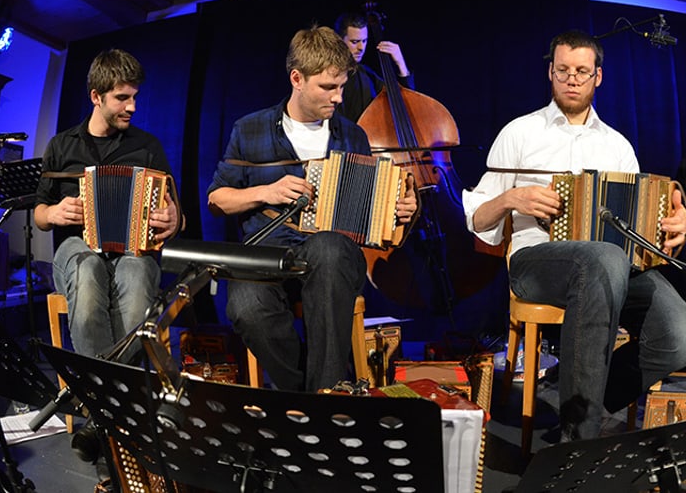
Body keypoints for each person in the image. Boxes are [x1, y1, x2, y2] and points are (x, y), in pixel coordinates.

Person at [463, 30, 686, 441]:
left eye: (582, 71)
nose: (572, 79)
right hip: (536, 261)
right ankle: (581, 440)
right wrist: (511, 198)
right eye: (563, 71)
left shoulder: (618, 146)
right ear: (550, 73)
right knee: (603, 260)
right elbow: (478, 219)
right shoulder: (519, 133)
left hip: (613, 267)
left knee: (681, 335)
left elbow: (647, 217)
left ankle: (583, 402)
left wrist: (681, 224)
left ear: (598, 77)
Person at [207, 26, 418, 392]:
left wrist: (399, 210)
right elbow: (217, 200)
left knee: (329, 247)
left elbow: (372, 215)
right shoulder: (250, 128)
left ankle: (327, 395)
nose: (338, 97)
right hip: (267, 251)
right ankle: (306, 391)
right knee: (246, 308)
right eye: (328, 87)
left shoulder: (352, 135)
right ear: (297, 79)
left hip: (332, 255)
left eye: (342, 87)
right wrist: (266, 191)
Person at [34, 48, 181, 465]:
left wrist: (171, 218)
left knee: (134, 278)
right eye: (122, 98)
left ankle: (111, 413)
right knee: (88, 268)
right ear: (96, 96)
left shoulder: (146, 146)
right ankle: (106, 412)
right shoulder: (62, 145)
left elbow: (175, 210)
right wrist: (55, 212)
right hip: (76, 249)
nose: (132, 106)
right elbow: (41, 212)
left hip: (132, 248)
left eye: (134, 97)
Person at [333, 12, 414, 122]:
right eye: (355, 42)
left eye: (364, 41)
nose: (361, 47)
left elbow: (404, 102)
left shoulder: (367, 75)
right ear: (339, 41)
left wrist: (400, 63)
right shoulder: (326, 75)